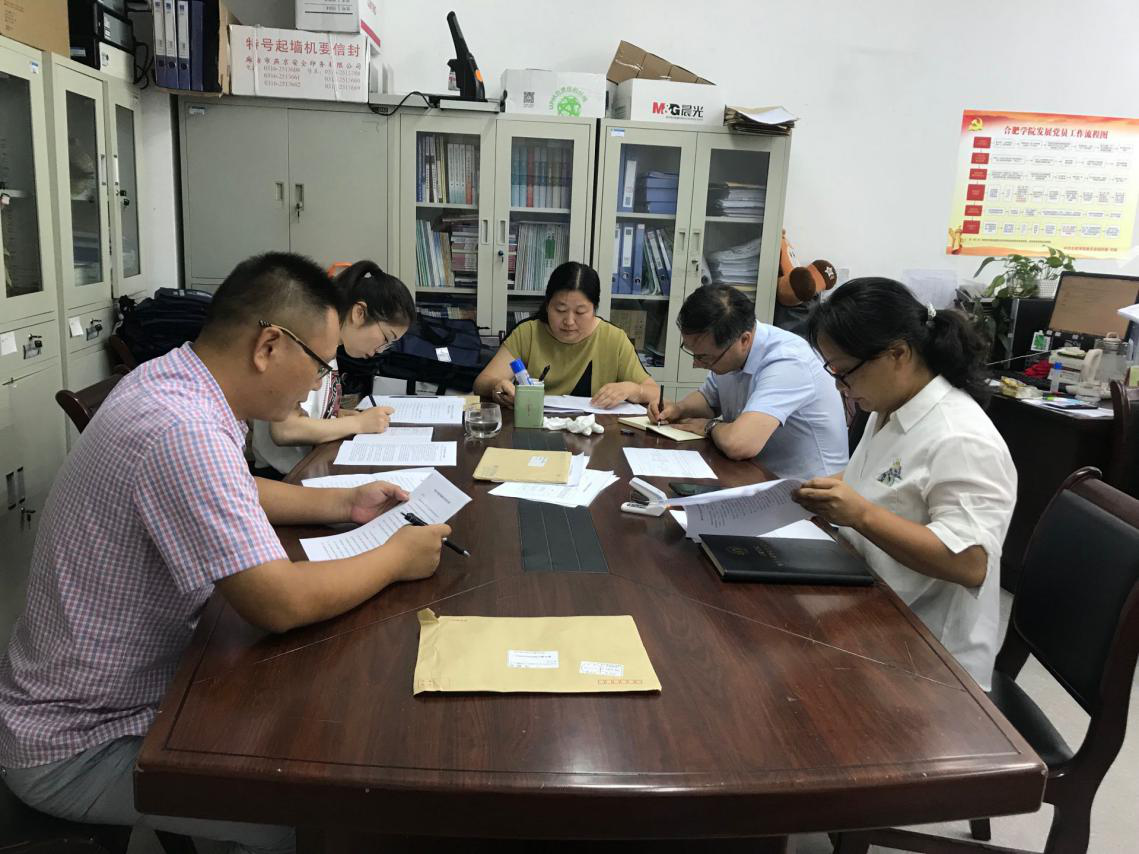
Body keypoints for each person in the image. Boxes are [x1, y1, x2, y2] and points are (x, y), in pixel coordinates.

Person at [0, 252, 450, 853]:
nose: (317, 385)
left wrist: (345, 502)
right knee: (315, 810)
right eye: (319, 365)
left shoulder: (175, 382)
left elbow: (233, 487)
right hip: (81, 743)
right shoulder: (183, 429)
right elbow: (278, 604)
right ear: (269, 346)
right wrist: (395, 558)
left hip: (122, 691)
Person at [792, 277, 1015, 690]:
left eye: (845, 372)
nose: (839, 386)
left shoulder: (960, 438)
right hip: (870, 608)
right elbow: (880, 479)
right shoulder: (889, 407)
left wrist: (861, 514)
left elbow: (971, 563)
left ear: (898, 354)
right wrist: (819, 489)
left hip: (929, 662)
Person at [648, 284, 847, 480]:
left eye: (705, 357)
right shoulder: (729, 351)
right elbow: (708, 400)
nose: (696, 364)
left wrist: (709, 427)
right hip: (757, 473)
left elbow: (739, 444)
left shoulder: (789, 361)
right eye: (693, 353)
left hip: (807, 489)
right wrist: (678, 409)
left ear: (744, 340)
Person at [251, 259, 416, 476]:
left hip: (308, 466)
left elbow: (310, 412)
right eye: (386, 338)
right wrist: (358, 424)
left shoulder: (330, 348)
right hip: (283, 477)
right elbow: (285, 430)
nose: (379, 351)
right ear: (359, 313)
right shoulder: (307, 343)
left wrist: (341, 416)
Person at [473, 261, 659, 409]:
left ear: (594, 309)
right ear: (547, 305)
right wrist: (497, 385)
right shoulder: (528, 333)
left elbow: (654, 392)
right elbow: (482, 382)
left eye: (580, 312)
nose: (569, 321)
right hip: (534, 428)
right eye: (560, 310)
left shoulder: (614, 339)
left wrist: (632, 389)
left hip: (594, 435)